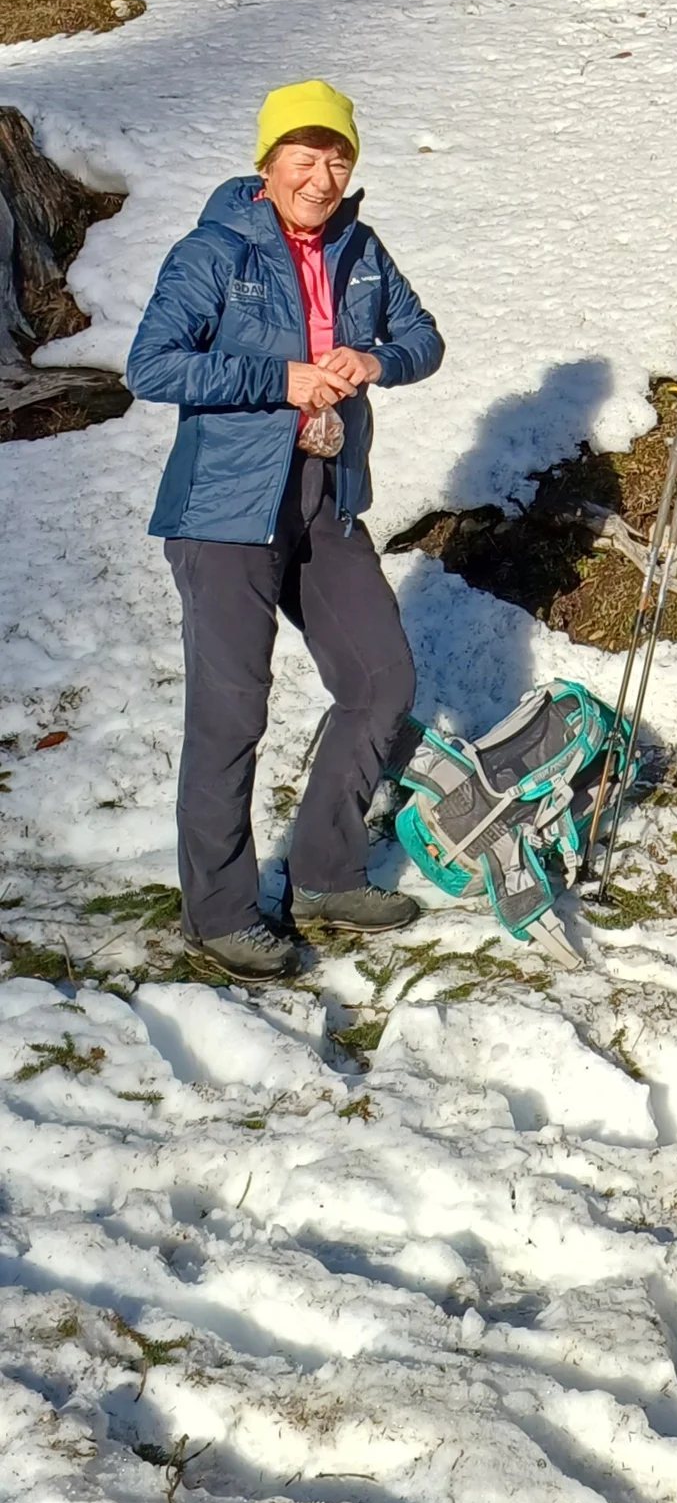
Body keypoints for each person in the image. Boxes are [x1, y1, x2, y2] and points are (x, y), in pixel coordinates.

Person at [128, 79, 444, 981]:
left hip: (323, 495)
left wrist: (375, 357)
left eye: (338, 158)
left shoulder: (361, 249)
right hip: (224, 510)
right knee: (231, 710)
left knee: (381, 678)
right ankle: (220, 914)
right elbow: (152, 364)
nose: (322, 176)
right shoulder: (215, 249)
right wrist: (283, 378)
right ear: (267, 164)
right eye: (304, 157)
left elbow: (425, 339)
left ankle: (325, 874)